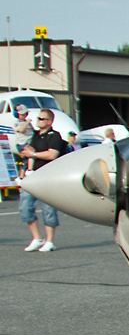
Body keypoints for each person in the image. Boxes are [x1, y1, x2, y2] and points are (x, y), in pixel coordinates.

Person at [18, 108, 66, 252]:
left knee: (48, 209)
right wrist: (26, 169)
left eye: (41, 119)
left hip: (48, 176)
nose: (38, 121)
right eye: (38, 118)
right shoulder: (35, 135)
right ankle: (37, 238)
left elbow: (52, 155)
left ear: (49, 121)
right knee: (25, 207)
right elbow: (30, 152)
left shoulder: (55, 136)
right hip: (33, 176)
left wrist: (33, 153)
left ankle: (50, 241)